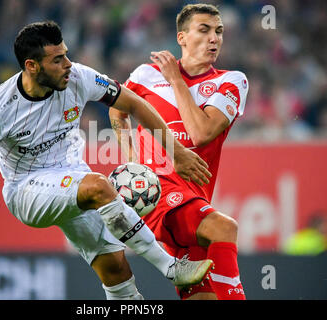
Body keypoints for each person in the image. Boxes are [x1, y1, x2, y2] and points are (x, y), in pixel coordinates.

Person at [0, 20, 214, 300]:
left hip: (71, 175)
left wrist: (176, 152)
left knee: (116, 268)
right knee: (99, 187)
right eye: (57, 60)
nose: (68, 64)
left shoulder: (79, 78)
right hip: (25, 189)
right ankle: (171, 267)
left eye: (66, 54)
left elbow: (132, 103)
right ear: (32, 66)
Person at [110, 4, 249, 300]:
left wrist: (175, 80)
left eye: (219, 31)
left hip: (194, 200)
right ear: (182, 37)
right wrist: (132, 161)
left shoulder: (232, 81)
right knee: (224, 228)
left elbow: (201, 133)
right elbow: (117, 112)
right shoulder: (145, 74)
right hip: (159, 196)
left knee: (203, 297)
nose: (214, 38)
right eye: (204, 30)